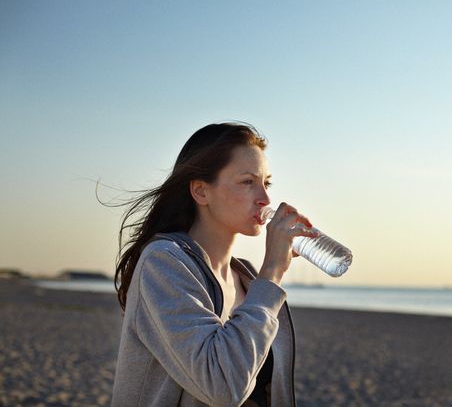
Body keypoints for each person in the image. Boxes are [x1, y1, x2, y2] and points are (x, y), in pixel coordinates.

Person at [111, 122, 317, 407]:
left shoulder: (244, 277)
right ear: (201, 192)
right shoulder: (163, 263)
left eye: (266, 183)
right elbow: (223, 385)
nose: (265, 199)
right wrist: (272, 272)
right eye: (247, 182)